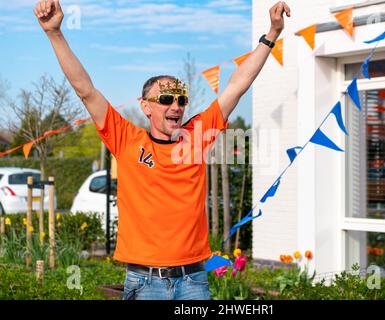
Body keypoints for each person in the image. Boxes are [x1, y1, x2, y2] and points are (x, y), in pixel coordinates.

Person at [34, 0, 291, 300]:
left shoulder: (197, 136)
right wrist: (55, 33)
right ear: (145, 107)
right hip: (145, 284)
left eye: (181, 100)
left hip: (194, 281)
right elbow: (85, 89)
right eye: (166, 99)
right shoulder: (126, 139)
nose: (176, 106)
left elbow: (237, 84)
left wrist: (271, 33)